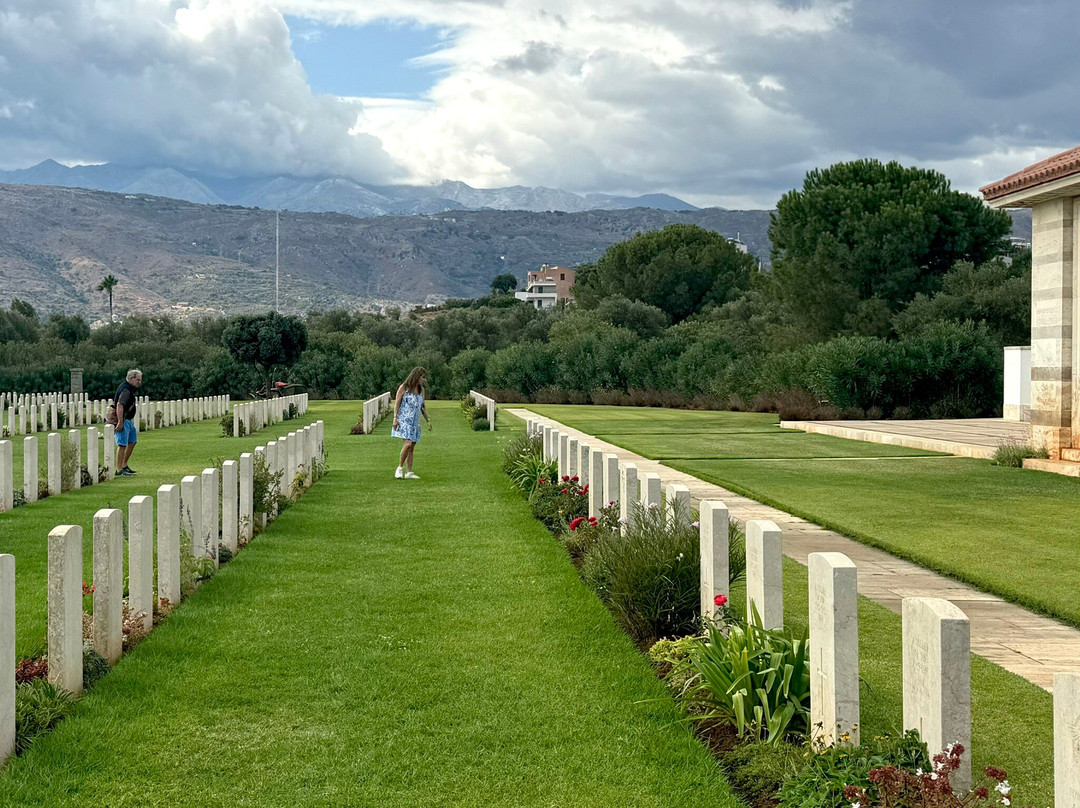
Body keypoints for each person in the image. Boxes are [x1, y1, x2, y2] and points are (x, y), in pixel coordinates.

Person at [391, 366, 432, 479]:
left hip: (414, 422)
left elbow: (422, 407)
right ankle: (399, 468)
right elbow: (397, 404)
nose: (425, 380)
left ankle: (409, 472)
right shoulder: (404, 388)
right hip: (404, 420)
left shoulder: (421, 390)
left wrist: (427, 420)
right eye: (423, 377)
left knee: (411, 447)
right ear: (417, 377)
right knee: (407, 444)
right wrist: (395, 418)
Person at [114, 368, 142, 476]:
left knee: (132, 441)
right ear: (131, 378)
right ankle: (119, 469)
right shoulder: (125, 389)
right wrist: (120, 421)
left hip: (128, 421)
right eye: (138, 380)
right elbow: (120, 405)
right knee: (122, 444)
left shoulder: (130, 388)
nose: (139, 382)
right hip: (124, 420)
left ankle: (124, 465)